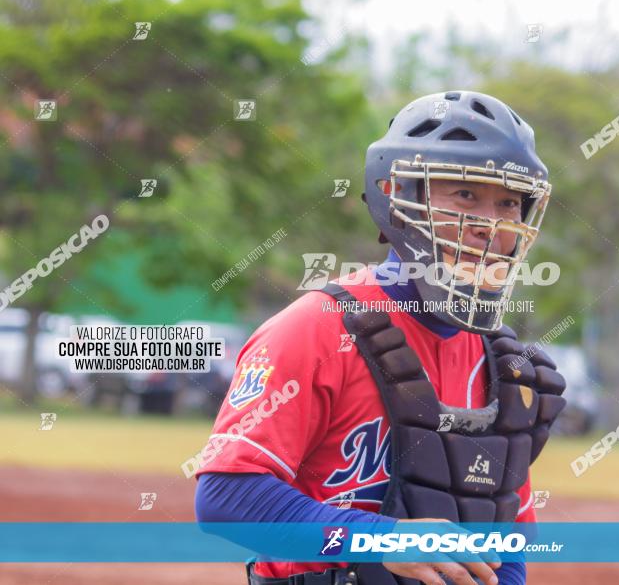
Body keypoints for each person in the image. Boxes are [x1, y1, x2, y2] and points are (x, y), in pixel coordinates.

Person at [194, 91, 567, 585]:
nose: (491, 226)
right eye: (465, 195)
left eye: (509, 203)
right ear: (399, 194)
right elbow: (225, 496)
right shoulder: (319, 329)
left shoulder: (503, 364)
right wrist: (378, 539)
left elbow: (502, 545)